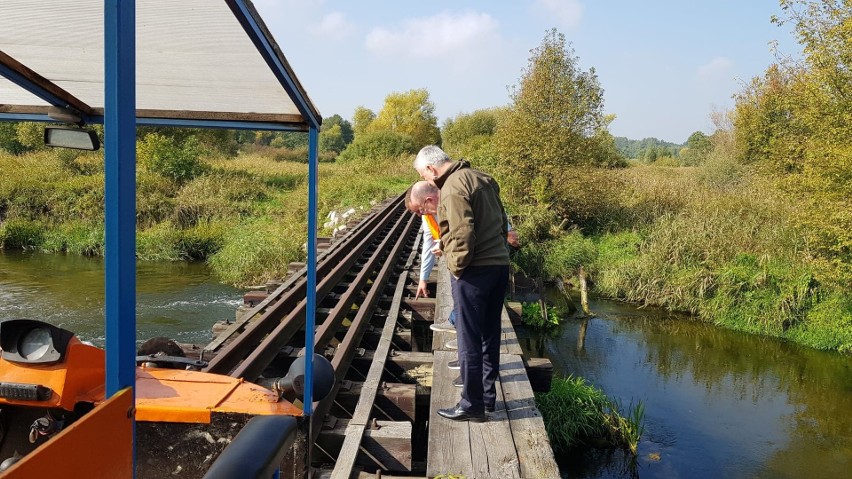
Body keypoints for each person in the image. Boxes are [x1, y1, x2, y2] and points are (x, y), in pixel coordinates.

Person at [412, 145, 511, 422]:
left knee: (468, 339)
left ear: (432, 168)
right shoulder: (483, 178)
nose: (427, 180)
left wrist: (456, 268)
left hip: (474, 271)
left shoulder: (453, 186)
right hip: (498, 265)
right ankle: (488, 399)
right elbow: (502, 221)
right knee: (490, 335)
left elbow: (462, 232)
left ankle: (471, 405)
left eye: (424, 174)